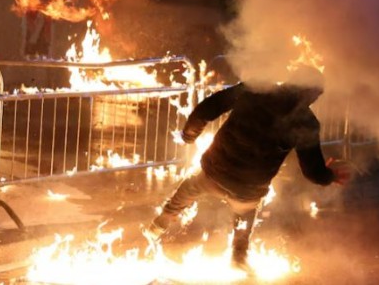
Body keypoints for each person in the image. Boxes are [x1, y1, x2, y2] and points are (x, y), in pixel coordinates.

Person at [144, 66, 350, 272]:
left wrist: (190, 133)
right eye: (317, 94)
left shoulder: (256, 88)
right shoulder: (306, 122)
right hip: (248, 189)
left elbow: (210, 107)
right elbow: (312, 171)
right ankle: (238, 260)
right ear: (311, 93)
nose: (316, 99)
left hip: (214, 171)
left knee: (188, 189)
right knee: (244, 220)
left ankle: (157, 228)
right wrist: (328, 175)